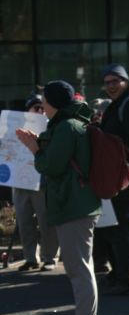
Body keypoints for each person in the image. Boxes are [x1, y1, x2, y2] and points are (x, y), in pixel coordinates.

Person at [16, 80, 101, 315]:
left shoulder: (66, 127)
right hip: (77, 203)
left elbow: (50, 166)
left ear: (53, 104)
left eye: (44, 103)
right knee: (80, 266)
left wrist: (35, 150)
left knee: (79, 268)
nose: (43, 107)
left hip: (73, 204)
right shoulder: (72, 123)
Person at [96, 63, 129, 295]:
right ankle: (127, 272)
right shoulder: (121, 104)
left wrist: (108, 142)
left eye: (115, 81)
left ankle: (127, 276)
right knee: (122, 226)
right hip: (121, 175)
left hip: (128, 177)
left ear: (125, 81)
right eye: (107, 82)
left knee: (120, 227)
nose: (110, 86)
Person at [13, 94, 59, 272]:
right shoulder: (15, 128)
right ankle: (30, 257)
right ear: (28, 110)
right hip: (19, 181)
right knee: (24, 222)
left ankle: (50, 257)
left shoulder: (51, 127)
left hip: (42, 182)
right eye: (35, 107)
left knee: (46, 221)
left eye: (42, 107)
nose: (39, 110)